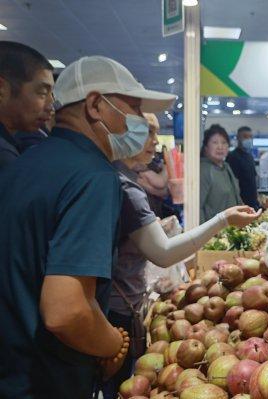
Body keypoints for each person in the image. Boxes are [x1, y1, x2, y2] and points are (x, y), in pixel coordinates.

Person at [0, 55, 176, 399]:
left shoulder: (25, 164)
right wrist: (112, 343)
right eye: (135, 108)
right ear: (96, 104)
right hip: (47, 382)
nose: (139, 121)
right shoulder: (92, 177)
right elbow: (66, 311)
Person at [103, 115, 260, 398]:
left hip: (114, 301)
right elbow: (163, 253)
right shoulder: (126, 188)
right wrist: (222, 220)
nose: (154, 140)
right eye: (147, 132)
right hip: (117, 308)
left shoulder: (114, 177)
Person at [0, 41, 54, 169]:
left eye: (52, 94)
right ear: (1, 89)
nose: (51, 105)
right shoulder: (4, 156)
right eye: (42, 92)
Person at [200, 124, 242, 223]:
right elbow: (198, 207)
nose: (220, 147)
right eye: (215, 142)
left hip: (231, 229)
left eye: (224, 142)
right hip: (214, 233)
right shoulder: (204, 170)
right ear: (206, 147)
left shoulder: (226, 167)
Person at [227, 126, 260, 209]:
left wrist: (257, 197)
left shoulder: (249, 156)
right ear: (238, 138)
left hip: (253, 203)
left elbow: (253, 179)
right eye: (245, 137)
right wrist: (239, 202)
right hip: (241, 204)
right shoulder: (232, 157)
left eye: (250, 137)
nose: (248, 139)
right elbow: (232, 183)